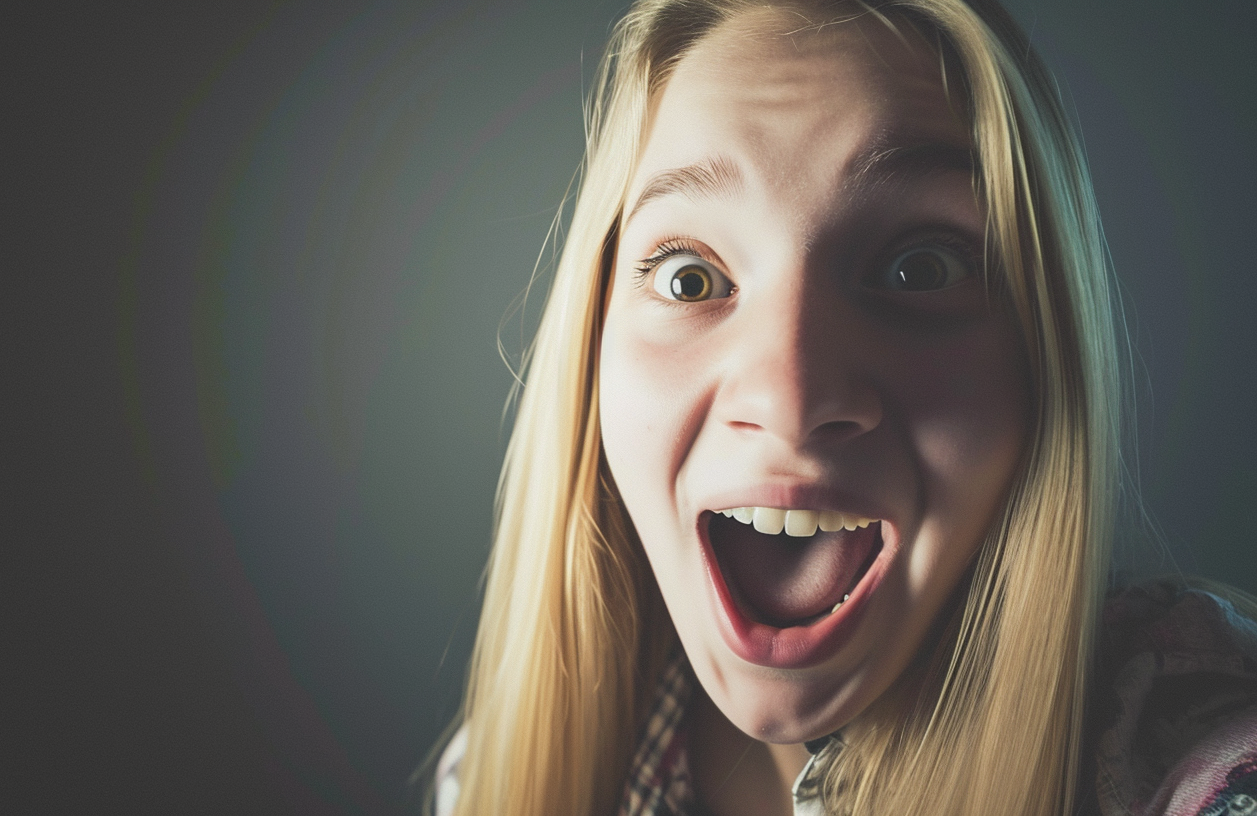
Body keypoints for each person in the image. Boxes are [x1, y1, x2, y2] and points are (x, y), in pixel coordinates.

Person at [431, 1, 1257, 814]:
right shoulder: (489, 781)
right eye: (691, 277)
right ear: (592, 347)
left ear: (1046, 354)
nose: (790, 404)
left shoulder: (1201, 768)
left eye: (919, 270)